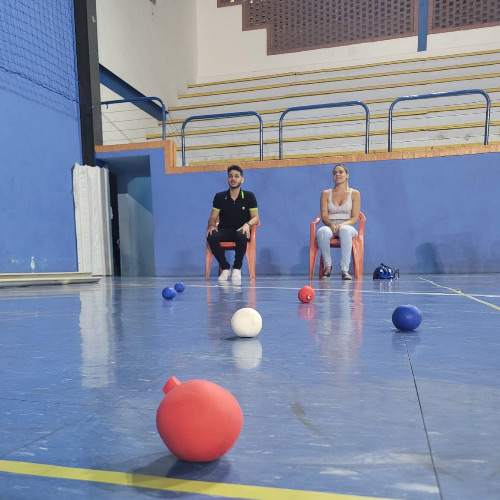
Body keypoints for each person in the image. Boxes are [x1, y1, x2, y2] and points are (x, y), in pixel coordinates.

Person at [207, 165, 259, 283]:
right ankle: (225, 267)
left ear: (242, 179)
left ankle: (237, 268)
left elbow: (255, 218)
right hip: (224, 230)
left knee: (242, 235)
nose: (233, 179)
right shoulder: (219, 197)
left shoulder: (249, 196)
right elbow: (212, 217)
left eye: (236, 176)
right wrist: (212, 225)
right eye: (230, 176)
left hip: (241, 230)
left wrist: (248, 225)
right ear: (227, 179)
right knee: (211, 235)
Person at [316, 163, 361, 280]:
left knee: (345, 230)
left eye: (341, 172)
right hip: (331, 226)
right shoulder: (325, 193)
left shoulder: (355, 193)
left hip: (348, 226)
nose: (338, 174)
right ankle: (327, 266)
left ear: (347, 175)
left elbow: (355, 218)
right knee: (322, 231)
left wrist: (341, 225)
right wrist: (331, 225)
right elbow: (324, 215)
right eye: (335, 173)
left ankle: (344, 269)